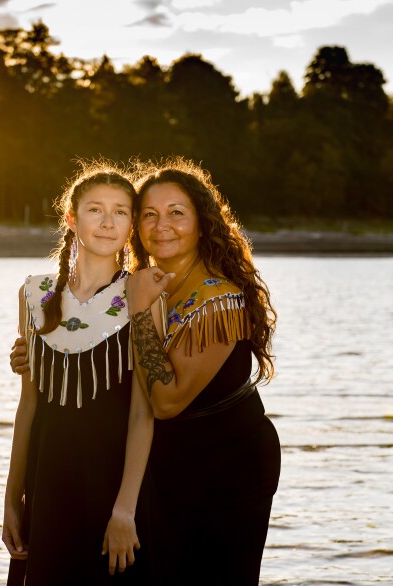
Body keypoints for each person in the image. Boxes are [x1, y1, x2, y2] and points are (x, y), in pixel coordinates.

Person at [124, 158, 280, 585]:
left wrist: (138, 313)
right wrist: (31, 355)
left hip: (228, 467)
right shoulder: (144, 284)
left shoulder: (218, 299)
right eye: (150, 215)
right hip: (169, 464)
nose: (162, 226)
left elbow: (166, 400)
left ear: (201, 223)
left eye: (177, 213)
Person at [2, 164, 154, 585]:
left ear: (132, 224)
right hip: (48, 484)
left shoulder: (142, 294)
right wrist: (13, 499)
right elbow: (28, 405)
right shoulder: (34, 294)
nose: (107, 222)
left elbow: (143, 413)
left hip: (113, 486)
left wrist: (125, 509)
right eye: (95, 209)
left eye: (121, 212)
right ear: (71, 217)